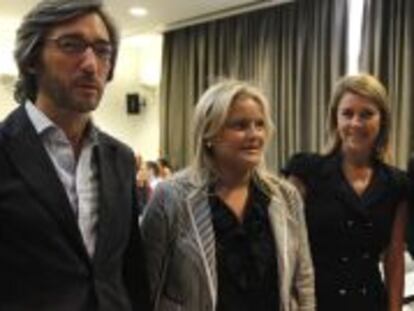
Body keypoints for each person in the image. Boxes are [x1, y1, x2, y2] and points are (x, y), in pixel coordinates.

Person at [0, 0, 149, 310]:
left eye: (102, 51)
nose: (90, 64)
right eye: (71, 45)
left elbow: (130, 269)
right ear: (31, 59)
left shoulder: (120, 158)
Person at [141, 80, 315, 311]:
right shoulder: (171, 197)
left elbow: (303, 281)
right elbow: (146, 285)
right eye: (240, 125)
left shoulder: (286, 197)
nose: (254, 135)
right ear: (209, 135)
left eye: (260, 125)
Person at [282, 74, 407, 311]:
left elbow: (394, 258)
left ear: (382, 120)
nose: (356, 123)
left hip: (370, 302)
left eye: (367, 114)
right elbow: (287, 249)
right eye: (347, 113)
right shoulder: (306, 171)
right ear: (335, 119)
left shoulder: (396, 183)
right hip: (316, 303)